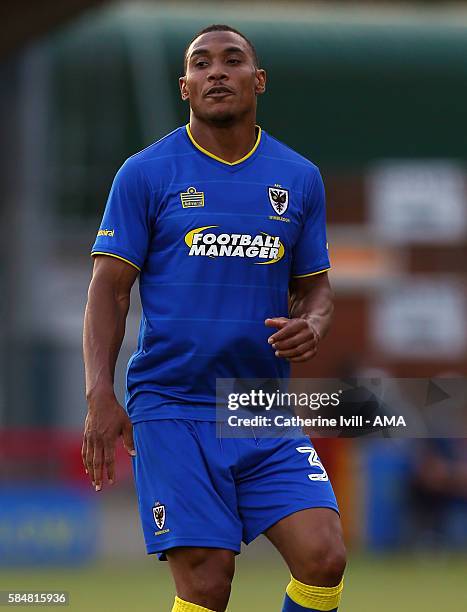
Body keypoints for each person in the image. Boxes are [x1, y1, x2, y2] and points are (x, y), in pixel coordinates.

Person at [82, 24, 346, 612]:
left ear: (259, 80)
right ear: (185, 86)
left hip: (257, 403)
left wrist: (317, 324)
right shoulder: (146, 173)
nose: (216, 72)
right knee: (207, 581)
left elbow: (318, 290)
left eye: (232, 61)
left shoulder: (298, 177)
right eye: (202, 64)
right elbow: (109, 291)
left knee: (324, 558)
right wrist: (100, 392)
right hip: (172, 403)